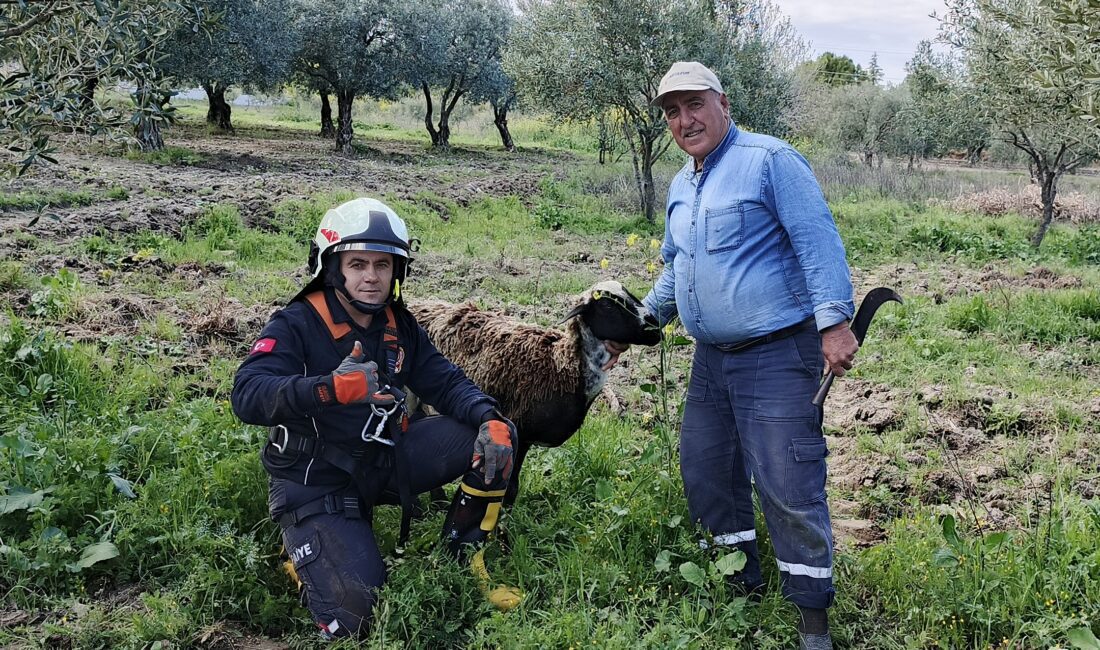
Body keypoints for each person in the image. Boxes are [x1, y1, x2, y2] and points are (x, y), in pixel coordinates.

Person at [641, 62, 858, 650]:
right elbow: (675, 265)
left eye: (694, 105)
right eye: (672, 111)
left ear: (723, 102)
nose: (684, 120)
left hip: (776, 356)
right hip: (710, 360)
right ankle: (740, 588)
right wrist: (639, 321)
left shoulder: (770, 161)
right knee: (708, 473)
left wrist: (834, 322)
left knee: (788, 483)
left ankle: (813, 619)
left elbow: (818, 239)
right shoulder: (682, 183)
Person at [231, 197, 517, 638]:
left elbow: (446, 382)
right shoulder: (295, 323)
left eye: (382, 265)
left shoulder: (398, 324)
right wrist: (328, 388)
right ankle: (306, 556)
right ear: (333, 268)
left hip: (381, 463)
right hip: (314, 481)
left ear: (396, 272)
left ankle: (462, 556)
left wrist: (489, 418)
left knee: (495, 433)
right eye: (358, 263)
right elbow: (247, 394)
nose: (371, 276)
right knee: (357, 619)